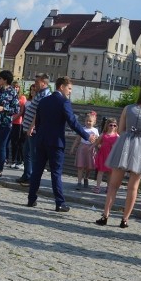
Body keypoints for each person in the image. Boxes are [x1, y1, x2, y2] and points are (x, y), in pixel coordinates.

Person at [95, 89, 141, 227]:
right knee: (133, 187)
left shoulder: (127, 108)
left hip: (125, 144)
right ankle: (125, 219)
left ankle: (105, 215)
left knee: (113, 185)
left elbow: (120, 130)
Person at [26, 77, 90, 212]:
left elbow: (38, 122)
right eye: (69, 88)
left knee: (37, 171)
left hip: (42, 140)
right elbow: (72, 122)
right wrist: (87, 136)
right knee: (56, 173)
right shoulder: (64, 102)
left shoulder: (43, 101)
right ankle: (59, 203)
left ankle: (31, 199)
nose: (70, 92)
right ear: (61, 87)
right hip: (56, 142)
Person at [17, 74, 51, 185]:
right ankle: (27, 174)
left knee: (33, 154)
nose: (35, 84)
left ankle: (33, 179)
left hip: (34, 130)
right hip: (28, 128)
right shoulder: (39, 93)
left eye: (37, 82)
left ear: (43, 83)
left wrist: (32, 126)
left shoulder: (45, 95)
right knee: (26, 152)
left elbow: (39, 113)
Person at [70, 111, 98, 190]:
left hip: (91, 149)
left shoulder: (95, 130)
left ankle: (86, 177)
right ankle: (79, 182)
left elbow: (97, 141)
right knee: (80, 166)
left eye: (90, 121)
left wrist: (98, 147)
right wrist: (72, 148)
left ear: (94, 122)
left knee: (89, 167)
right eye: (87, 121)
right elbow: (77, 139)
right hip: (82, 148)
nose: (88, 122)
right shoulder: (82, 129)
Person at [93, 118, 119, 193]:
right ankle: (98, 187)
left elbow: (119, 146)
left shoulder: (117, 136)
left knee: (110, 173)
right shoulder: (103, 134)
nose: (112, 127)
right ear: (107, 125)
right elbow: (97, 143)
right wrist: (100, 147)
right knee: (100, 171)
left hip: (111, 156)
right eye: (111, 125)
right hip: (103, 155)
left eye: (114, 125)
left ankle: (108, 187)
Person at [8, 81, 26, 168]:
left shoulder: (22, 98)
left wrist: (13, 118)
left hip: (18, 122)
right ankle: (13, 160)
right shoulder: (11, 96)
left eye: (17, 87)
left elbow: (21, 111)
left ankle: (19, 160)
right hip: (10, 122)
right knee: (12, 142)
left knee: (18, 142)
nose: (16, 88)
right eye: (14, 87)